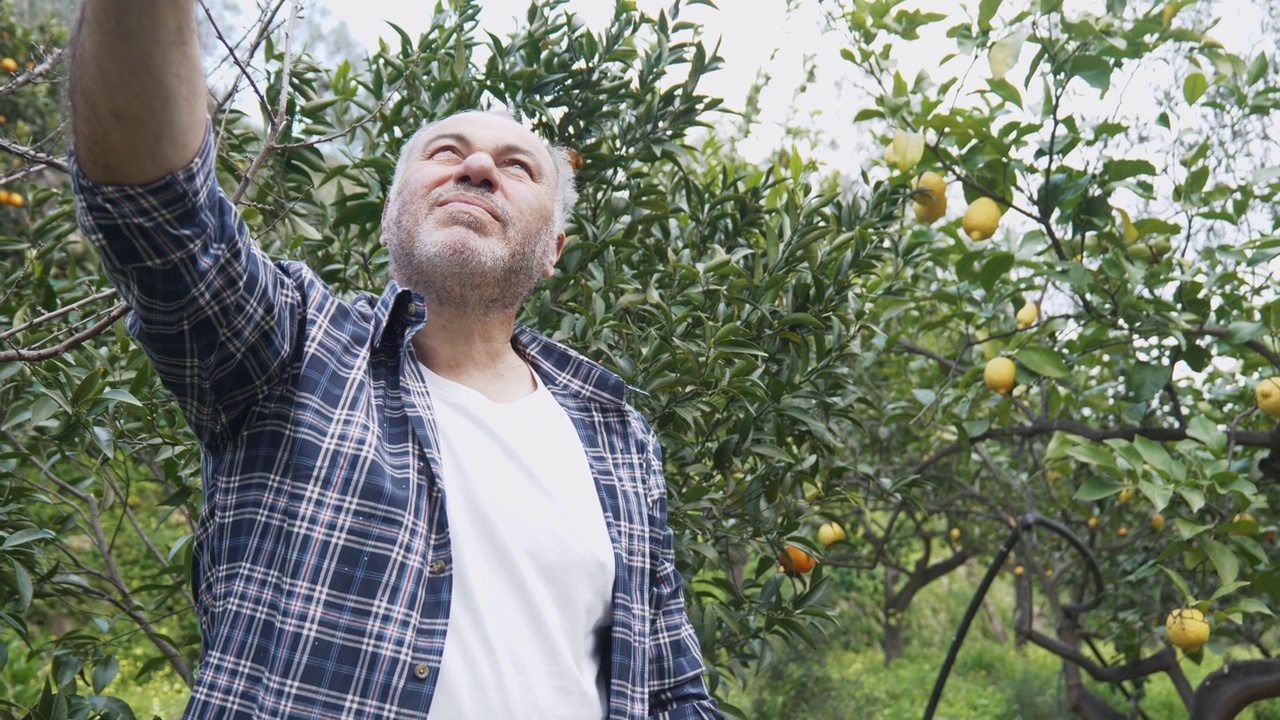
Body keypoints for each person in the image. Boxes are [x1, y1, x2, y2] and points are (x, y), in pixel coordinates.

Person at [67, 2, 722, 719]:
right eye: (446, 152)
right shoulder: (293, 349)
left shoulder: (617, 434)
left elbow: (672, 691)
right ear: (388, 213)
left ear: (553, 253)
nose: (476, 167)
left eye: (517, 167)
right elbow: (160, 215)